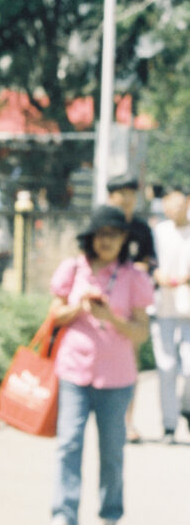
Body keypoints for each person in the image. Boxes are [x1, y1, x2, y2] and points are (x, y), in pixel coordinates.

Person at [43, 205, 154, 525]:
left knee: (112, 449)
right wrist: (79, 308)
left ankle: (110, 513)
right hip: (74, 370)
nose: (108, 241)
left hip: (116, 376)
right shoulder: (73, 268)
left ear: (125, 240)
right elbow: (54, 316)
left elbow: (141, 333)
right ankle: (63, 516)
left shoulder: (134, 277)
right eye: (102, 234)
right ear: (92, 237)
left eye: (115, 235)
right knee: (69, 444)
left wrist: (111, 317)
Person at [106, 177, 157, 442]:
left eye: (131, 194)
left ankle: (127, 421)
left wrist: (135, 275)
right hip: (98, 302)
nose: (126, 199)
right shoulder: (100, 223)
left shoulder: (141, 228)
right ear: (110, 196)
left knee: (129, 362)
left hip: (130, 305)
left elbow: (149, 262)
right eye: (121, 193)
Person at [151, 190, 190, 443]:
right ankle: (169, 425)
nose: (174, 209)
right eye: (170, 204)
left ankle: (186, 407)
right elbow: (148, 262)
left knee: (188, 368)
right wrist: (157, 276)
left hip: (188, 310)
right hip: (163, 307)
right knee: (166, 367)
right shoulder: (159, 232)